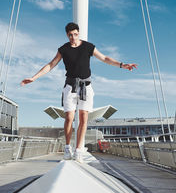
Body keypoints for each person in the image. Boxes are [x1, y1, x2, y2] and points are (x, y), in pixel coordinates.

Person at [21, 22, 137, 163]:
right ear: (67, 35)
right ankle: (68, 147)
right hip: (70, 87)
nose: (73, 38)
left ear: (78, 33)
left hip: (86, 87)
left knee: (83, 118)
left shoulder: (88, 47)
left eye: (75, 34)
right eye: (70, 35)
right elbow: (51, 65)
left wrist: (122, 65)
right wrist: (34, 77)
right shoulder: (63, 49)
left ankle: (79, 150)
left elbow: (105, 58)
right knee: (69, 117)